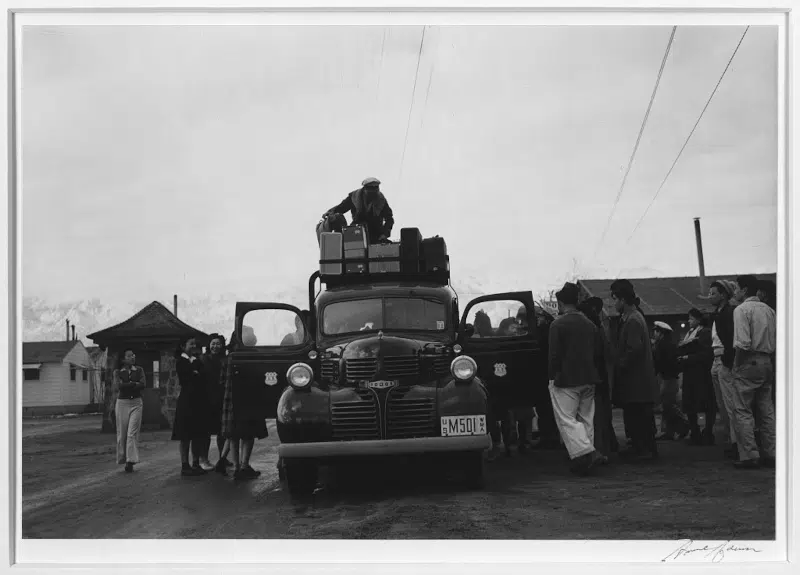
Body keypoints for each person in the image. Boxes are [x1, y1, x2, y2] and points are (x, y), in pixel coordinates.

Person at [548, 282, 602, 475]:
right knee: (586, 418)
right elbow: (597, 351)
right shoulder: (589, 324)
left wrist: (552, 376)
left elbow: (554, 355)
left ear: (560, 302)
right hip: (589, 377)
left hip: (566, 379)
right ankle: (585, 460)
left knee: (567, 420)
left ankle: (588, 453)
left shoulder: (557, 324)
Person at [610, 279, 660, 462]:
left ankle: (644, 450)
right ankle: (641, 448)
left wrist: (619, 365)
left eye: (615, 299)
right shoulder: (634, 317)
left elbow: (634, 349)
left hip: (636, 380)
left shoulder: (632, 319)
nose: (613, 303)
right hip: (638, 381)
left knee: (640, 418)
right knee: (639, 417)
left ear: (623, 299)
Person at [730, 275, 776, 469]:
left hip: (749, 361)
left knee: (742, 409)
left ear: (744, 290)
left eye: (736, 288)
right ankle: (771, 452)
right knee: (766, 410)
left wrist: (736, 366)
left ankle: (749, 454)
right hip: (767, 360)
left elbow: (743, 343)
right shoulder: (769, 310)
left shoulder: (741, 310)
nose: (735, 292)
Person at [221, 331, 269, 480]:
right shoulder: (253, 355)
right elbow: (260, 377)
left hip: (232, 400)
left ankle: (236, 467)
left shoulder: (228, 357)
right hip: (249, 399)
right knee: (248, 436)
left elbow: (222, 381)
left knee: (234, 435)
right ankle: (244, 466)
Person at [578, 297, 617, 462]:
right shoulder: (598, 326)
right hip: (600, 376)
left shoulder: (592, 328)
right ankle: (607, 447)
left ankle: (600, 450)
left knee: (597, 416)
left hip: (595, 377)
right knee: (600, 415)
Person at [172, 336, 212, 477]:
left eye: (195, 344)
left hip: (198, 401)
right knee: (185, 435)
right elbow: (187, 378)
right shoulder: (181, 362)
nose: (193, 346)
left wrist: (196, 373)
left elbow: (202, 376)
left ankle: (195, 463)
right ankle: (185, 465)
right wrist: (195, 373)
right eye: (191, 344)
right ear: (183, 346)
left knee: (197, 434)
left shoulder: (196, 361)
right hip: (186, 401)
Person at [709, 280, 740, 458]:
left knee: (730, 404)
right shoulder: (718, 313)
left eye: (714, 293)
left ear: (723, 295)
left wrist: (728, 361)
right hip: (718, 358)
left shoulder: (729, 312)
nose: (711, 296)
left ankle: (737, 442)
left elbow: (729, 339)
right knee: (723, 403)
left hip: (725, 359)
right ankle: (731, 438)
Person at [677, 309, 716, 446]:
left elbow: (705, 354)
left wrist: (688, 357)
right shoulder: (690, 333)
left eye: (691, 318)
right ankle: (696, 431)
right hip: (692, 374)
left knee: (701, 405)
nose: (689, 321)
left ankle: (705, 431)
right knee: (693, 405)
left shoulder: (703, 332)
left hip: (700, 375)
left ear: (698, 320)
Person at [324, 177, 395, 244]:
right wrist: (330, 212)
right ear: (364, 189)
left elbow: (389, 219)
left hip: (376, 234)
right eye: (370, 188)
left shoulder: (381, 200)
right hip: (357, 231)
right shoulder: (354, 197)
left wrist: (385, 234)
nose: (373, 191)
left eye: (375, 188)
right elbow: (341, 207)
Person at [201, 333, 233, 475]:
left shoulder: (225, 360)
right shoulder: (203, 360)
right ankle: (204, 459)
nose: (215, 346)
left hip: (222, 399)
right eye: (213, 343)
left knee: (222, 431)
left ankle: (222, 458)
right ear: (209, 345)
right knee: (206, 431)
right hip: (207, 399)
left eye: (218, 343)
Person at [651, 322, 689, 441]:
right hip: (668, 377)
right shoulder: (665, 344)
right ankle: (670, 432)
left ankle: (684, 425)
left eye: (656, 331)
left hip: (669, 378)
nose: (654, 333)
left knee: (668, 405)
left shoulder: (664, 345)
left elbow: (661, 362)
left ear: (661, 333)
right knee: (668, 405)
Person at [113, 348, 146, 473]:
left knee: (132, 433)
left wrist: (128, 384)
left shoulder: (139, 370)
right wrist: (133, 383)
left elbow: (143, 384)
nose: (133, 357)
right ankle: (123, 458)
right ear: (123, 359)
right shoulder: (117, 372)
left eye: (133, 355)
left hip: (137, 403)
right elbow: (119, 386)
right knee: (122, 433)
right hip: (122, 404)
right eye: (129, 356)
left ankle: (130, 461)